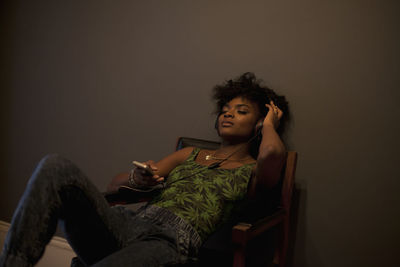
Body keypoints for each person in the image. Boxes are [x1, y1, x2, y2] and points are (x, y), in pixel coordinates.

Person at [0, 72, 289, 267]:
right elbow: (115, 186)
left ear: (258, 124)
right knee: (54, 165)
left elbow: (273, 152)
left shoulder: (253, 169)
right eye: (226, 108)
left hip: (169, 243)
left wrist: (269, 125)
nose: (228, 112)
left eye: (241, 111)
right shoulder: (190, 153)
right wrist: (138, 178)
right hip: (126, 224)